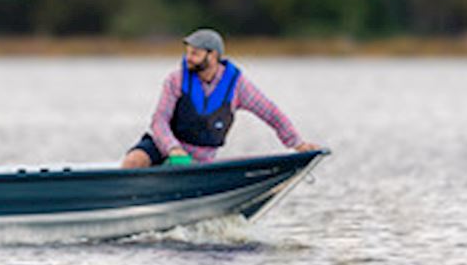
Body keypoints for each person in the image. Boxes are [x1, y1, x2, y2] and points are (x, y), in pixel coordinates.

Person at [122, 29, 321, 168]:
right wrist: (173, 149)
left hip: (201, 158)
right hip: (164, 146)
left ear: (213, 55)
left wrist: (297, 144)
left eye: (195, 53)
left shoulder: (237, 86)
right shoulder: (175, 79)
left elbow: (270, 112)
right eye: (188, 52)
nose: (188, 58)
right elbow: (159, 120)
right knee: (134, 161)